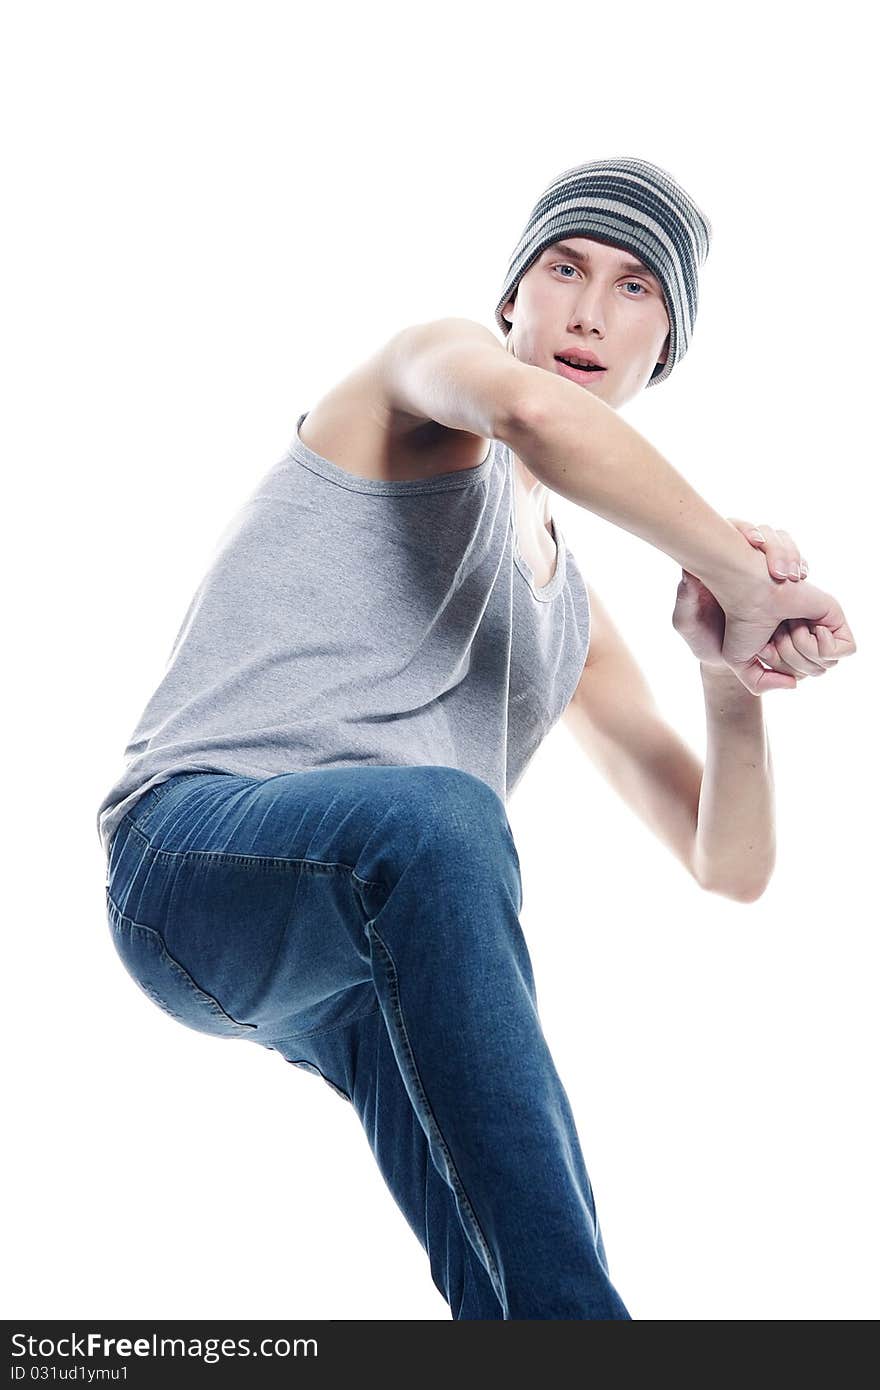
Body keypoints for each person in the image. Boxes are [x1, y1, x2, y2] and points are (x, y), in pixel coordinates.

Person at [97, 157, 855, 1320]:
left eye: (637, 288)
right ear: (512, 299)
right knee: (445, 823)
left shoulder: (568, 618)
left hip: (347, 986)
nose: (589, 309)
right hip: (194, 856)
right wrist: (731, 563)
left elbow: (727, 862)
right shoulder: (425, 371)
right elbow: (532, 415)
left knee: (500, 1286)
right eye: (563, 268)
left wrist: (729, 668)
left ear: (666, 350)